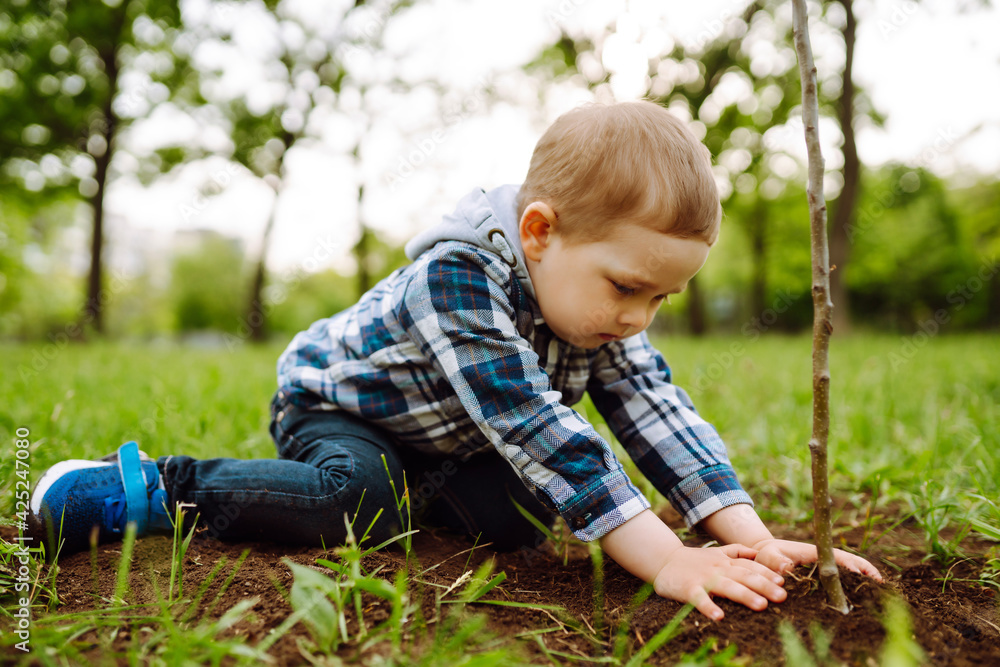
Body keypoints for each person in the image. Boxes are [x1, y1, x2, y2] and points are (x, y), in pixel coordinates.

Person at [31, 100, 881, 621]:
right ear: (541, 232)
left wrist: (754, 540)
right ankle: (156, 487)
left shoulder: (602, 314)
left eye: (661, 300)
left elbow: (657, 410)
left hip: (446, 440)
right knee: (354, 495)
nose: (637, 318)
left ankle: (407, 503)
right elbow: (535, 425)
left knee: (523, 517)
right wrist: (666, 557)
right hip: (345, 408)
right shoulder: (457, 276)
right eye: (627, 287)